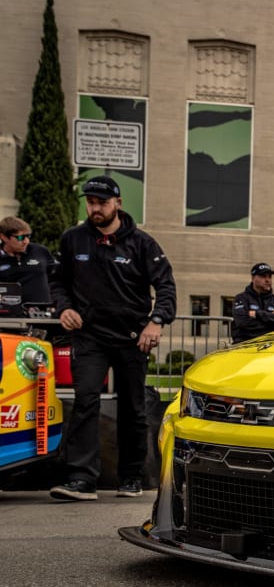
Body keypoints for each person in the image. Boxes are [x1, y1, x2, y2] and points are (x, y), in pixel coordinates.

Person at [49, 175, 176, 502]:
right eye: (90, 202)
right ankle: (81, 479)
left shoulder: (143, 244)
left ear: (118, 203)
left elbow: (166, 286)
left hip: (133, 337)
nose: (95, 208)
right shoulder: (73, 239)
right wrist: (64, 308)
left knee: (133, 407)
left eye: (102, 203)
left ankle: (132, 476)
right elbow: (58, 282)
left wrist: (156, 322)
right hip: (89, 336)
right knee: (85, 400)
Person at [0, 216, 56, 309]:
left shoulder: (40, 251)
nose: (26, 241)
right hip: (10, 314)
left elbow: (56, 279)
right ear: (4, 237)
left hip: (43, 312)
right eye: (20, 237)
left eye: (28, 236)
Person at [231, 262, 274, 343]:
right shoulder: (241, 298)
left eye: (269, 276)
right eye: (263, 276)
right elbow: (242, 323)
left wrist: (257, 314)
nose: (267, 280)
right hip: (245, 343)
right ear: (253, 278)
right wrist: (272, 321)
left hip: (270, 344)